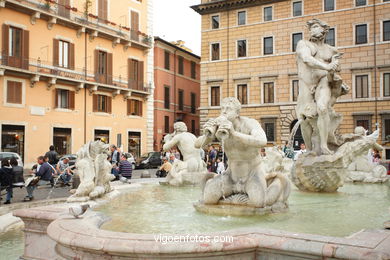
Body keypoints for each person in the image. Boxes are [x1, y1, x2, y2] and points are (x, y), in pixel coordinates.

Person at [196, 97, 290, 207]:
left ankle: (277, 183)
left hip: (252, 174)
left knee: (259, 203)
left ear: (237, 113)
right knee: (208, 199)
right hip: (231, 176)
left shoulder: (249, 123)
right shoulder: (218, 126)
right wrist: (207, 135)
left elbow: (262, 141)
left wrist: (234, 133)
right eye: (222, 108)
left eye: (228, 108)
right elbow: (197, 144)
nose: (224, 111)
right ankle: (228, 191)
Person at [296, 19, 349, 155]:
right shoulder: (303, 44)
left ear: (324, 30)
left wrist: (336, 82)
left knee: (322, 108)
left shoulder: (331, 50)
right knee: (304, 118)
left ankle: (324, 146)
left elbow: (336, 70)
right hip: (306, 84)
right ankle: (309, 149)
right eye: (311, 28)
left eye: (315, 27)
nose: (312, 30)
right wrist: (326, 66)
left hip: (323, 82)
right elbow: (307, 59)